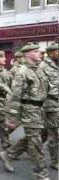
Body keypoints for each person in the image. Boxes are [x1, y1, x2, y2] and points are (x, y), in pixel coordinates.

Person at [0, 44, 50, 180]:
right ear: (27, 54)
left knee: (35, 137)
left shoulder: (39, 70)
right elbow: (15, 97)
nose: (40, 53)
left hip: (40, 110)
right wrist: (12, 118)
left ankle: (9, 154)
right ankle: (41, 172)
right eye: (36, 51)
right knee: (35, 142)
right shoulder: (22, 72)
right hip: (28, 111)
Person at [39, 43, 59, 171]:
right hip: (50, 104)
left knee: (44, 132)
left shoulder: (56, 65)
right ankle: (55, 161)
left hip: (57, 103)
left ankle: (15, 151)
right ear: (52, 53)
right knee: (55, 133)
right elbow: (40, 88)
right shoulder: (43, 67)